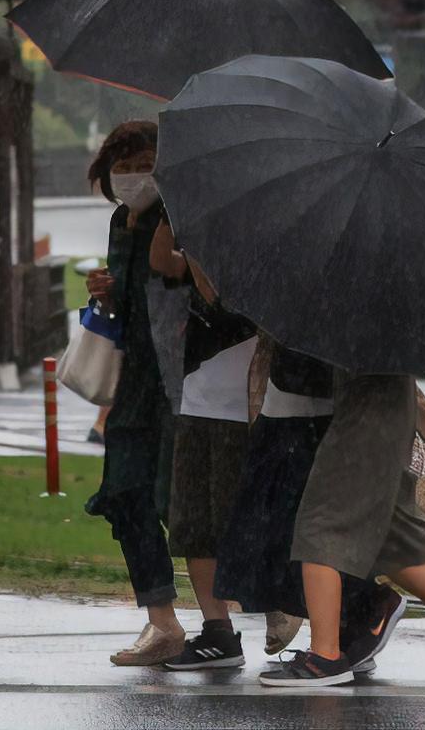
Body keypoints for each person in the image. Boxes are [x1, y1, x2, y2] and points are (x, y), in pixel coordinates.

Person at [259, 370, 425, 687]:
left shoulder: (367, 329)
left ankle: (325, 658)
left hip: (366, 417)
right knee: (390, 537)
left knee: (321, 526)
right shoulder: (383, 334)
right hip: (377, 411)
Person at [214, 341, 405, 672]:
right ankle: (347, 630)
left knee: (315, 534)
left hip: (313, 417)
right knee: (299, 536)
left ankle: (342, 637)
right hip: (299, 411)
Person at [82, 121, 184, 666]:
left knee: (182, 500)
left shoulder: (181, 216)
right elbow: (128, 304)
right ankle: (161, 620)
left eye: (141, 165)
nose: (131, 178)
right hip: (135, 380)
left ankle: (267, 604)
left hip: (180, 380)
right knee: (124, 492)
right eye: (121, 169)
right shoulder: (122, 221)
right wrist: (105, 291)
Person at [151, 249, 257, 671]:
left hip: (247, 406)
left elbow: (219, 300)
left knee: (252, 525)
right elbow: (162, 261)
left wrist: (198, 255)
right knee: (194, 522)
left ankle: (342, 623)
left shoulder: (267, 243)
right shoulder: (199, 228)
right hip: (197, 398)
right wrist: (167, 208)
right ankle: (218, 631)